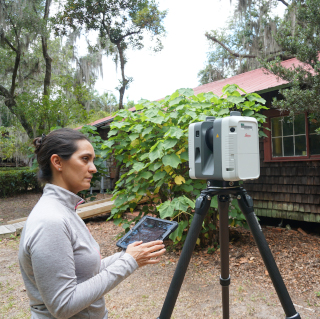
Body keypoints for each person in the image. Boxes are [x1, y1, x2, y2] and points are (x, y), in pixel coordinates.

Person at [18, 128, 166, 319]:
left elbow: (85, 274)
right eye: (85, 159)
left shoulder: (65, 210)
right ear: (57, 162)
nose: (94, 168)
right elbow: (63, 305)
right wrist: (129, 262)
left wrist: (129, 255)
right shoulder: (50, 221)